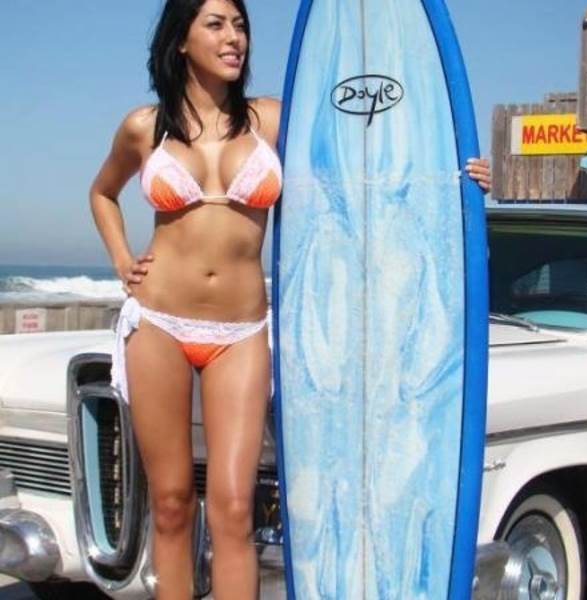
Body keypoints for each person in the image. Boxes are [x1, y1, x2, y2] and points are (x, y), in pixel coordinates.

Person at [89, 1, 491, 599]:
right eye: (216, 25)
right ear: (181, 41)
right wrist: (123, 260)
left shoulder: (274, 120)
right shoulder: (144, 128)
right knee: (170, 503)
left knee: (233, 507)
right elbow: (102, 192)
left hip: (241, 332)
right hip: (158, 324)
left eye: (240, 25)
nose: (234, 38)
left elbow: (369, 149)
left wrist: (460, 173)